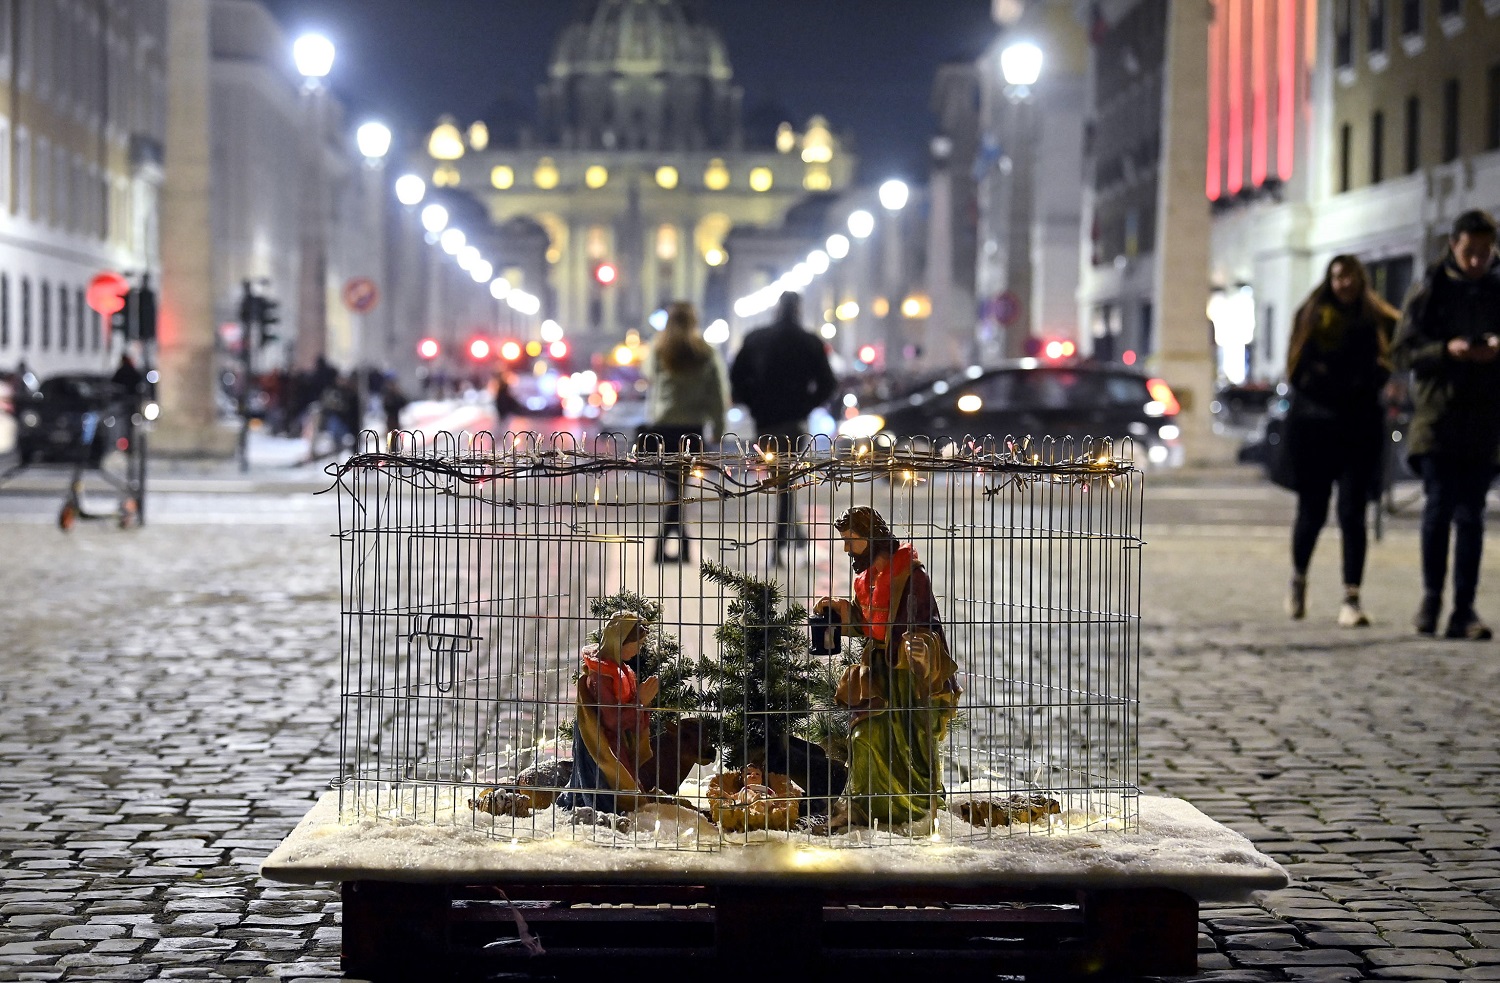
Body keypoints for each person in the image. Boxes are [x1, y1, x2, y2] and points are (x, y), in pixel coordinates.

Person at [814, 507, 960, 830]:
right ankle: (864, 807)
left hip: (907, 678)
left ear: (872, 539)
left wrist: (920, 646)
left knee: (913, 745)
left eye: (851, 542)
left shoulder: (911, 575)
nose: (846, 549)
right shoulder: (868, 579)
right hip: (878, 673)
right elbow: (870, 624)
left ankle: (916, 811)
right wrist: (839, 612)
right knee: (863, 735)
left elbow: (930, 625)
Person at [1391, 208, 1500, 640]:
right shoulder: (1430, 290)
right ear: (1453, 245)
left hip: (1485, 419)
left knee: (1471, 515)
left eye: (1484, 252)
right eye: (1469, 252)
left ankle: (1465, 608)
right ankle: (1431, 599)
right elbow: (1402, 353)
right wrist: (1445, 350)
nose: (1476, 261)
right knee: (1437, 510)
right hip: (1437, 417)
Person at [1281, 255, 1398, 627]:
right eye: (1337, 277)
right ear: (1329, 280)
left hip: (1358, 428)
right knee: (1312, 512)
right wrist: (1328, 384)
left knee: (1352, 512)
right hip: (1316, 426)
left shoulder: (1376, 319)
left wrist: (1376, 380)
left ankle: (1351, 597)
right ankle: (1299, 578)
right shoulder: (1312, 315)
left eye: (1349, 276)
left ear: (1360, 280)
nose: (1344, 283)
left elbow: (1393, 353)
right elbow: (1297, 370)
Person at [729, 291, 836, 561]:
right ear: (798, 309)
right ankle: (789, 536)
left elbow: (736, 376)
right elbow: (828, 383)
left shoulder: (756, 339)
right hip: (794, 419)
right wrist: (807, 404)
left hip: (765, 417)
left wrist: (752, 403)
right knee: (786, 477)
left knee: (780, 476)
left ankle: (786, 537)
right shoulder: (810, 342)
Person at [639, 300, 729, 563]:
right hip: (692, 428)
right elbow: (716, 395)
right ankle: (680, 542)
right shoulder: (705, 352)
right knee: (679, 487)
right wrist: (719, 428)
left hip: (663, 428)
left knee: (673, 488)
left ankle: (669, 542)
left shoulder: (659, 350)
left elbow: (650, 382)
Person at [556, 612, 661, 814]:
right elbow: (612, 719)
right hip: (603, 744)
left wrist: (640, 704)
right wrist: (640, 702)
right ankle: (602, 811)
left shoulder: (619, 669)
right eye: (637, 644)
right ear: (620, 641)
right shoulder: (602, 675)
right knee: (612, 785)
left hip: (616, 739)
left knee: (627, 785)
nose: (639, 649)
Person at [492, 370, 522, 434]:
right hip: (503, 410)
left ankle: (501, 437)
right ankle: (500, 437)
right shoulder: (502, 392)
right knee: (502, 425)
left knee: (502, 425)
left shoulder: (501, 392)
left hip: (503, 410)